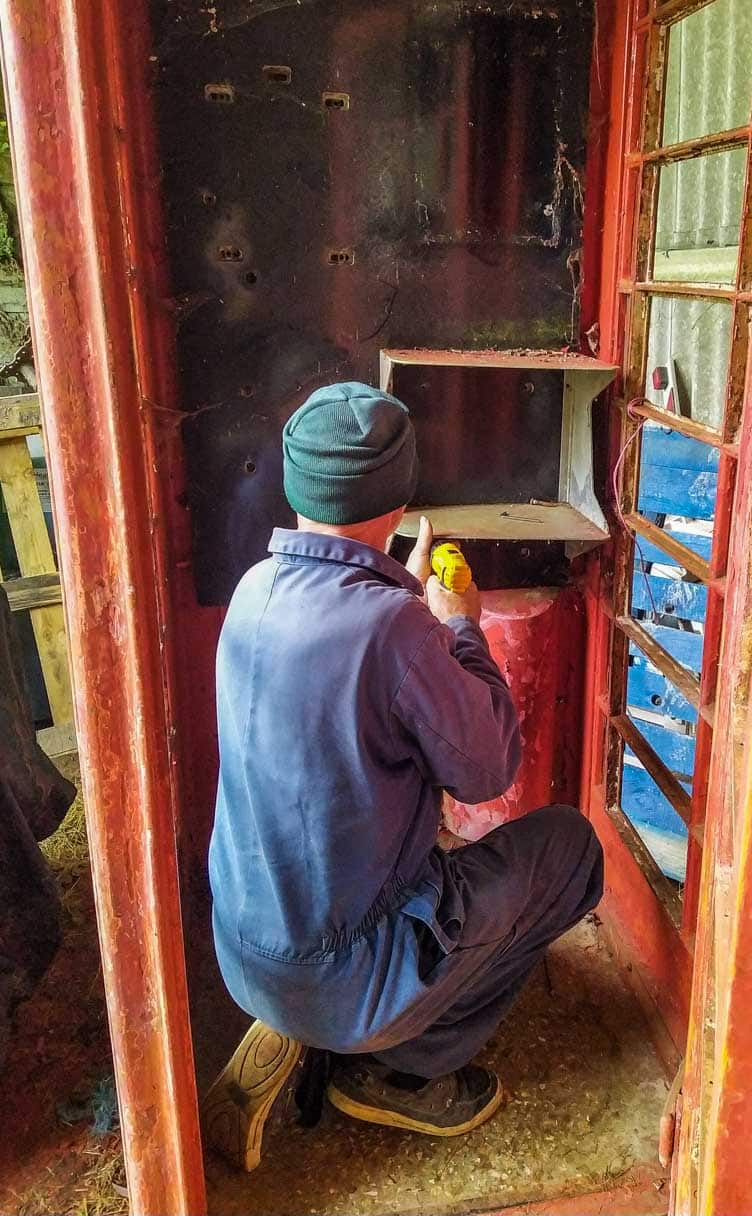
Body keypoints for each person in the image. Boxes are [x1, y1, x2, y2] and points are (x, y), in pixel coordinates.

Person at [204, 382, 603, 1171]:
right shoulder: (397, 625)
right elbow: (486, 770)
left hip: (242, 949)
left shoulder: (253, 591)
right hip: (347, 974)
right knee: (568, 849)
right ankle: (404, 1069)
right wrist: (457, 623)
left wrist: (401, 596)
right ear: (401, 490)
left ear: (294, 484)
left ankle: (306, 1014)